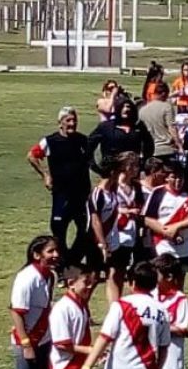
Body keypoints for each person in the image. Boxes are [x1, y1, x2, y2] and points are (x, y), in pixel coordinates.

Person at [10, 235, 59, 369]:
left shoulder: (51, 277)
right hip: (28, 341)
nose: (55, 255)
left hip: (45, 340)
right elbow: (17, 312)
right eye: (50, 251)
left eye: (56, 251)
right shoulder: (26, 278)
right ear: (37, 255)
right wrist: (26, 343)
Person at [27, 106, 91, 268]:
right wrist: (45, 175)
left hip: (81, 193)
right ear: (60, 123)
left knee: (86, 230)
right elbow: (32, 156)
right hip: (61, 194)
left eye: (74, 120)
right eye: (68, 120)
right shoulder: (50, 141)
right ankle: (62, 265)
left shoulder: (83, 140)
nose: (72, 123)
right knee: (59, 230)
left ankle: (72, 260)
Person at [142, 161, 188, 288]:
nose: (177, 181)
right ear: (167, 178)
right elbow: (148, 219)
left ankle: (177, 303)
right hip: (162, 243)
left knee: (180, 277)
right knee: (161, 277)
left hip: (184, 244)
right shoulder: (158, 193)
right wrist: (166, 232)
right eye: (173, 177)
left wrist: (177, 227)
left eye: (180, 177)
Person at [87, 155, 126, 303]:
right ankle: (81, 304)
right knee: (94, 277)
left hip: (113, 241)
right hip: (97, 242)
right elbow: (95, 220)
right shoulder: (98, 194)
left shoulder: (113, 191)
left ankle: (115, 309)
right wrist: (103, 244)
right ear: (112, 172)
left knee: (113, 273)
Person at [88, 98, 154, 176]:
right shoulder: (106, 127)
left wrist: (142, 164)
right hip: (111, 172)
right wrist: (97, 168)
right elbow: (88, 147)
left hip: (132, 173)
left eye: (128, 107)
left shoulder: (139, 128)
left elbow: (149, 146)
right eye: (123, 107)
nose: (126, 109)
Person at [112, 152, 145, 298]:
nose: (137, 169)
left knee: (134, 268)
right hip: (117, 232)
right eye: (134, 165)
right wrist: (125, 211)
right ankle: (115, 302)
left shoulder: (136, 187)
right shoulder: (113, 186)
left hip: (133, 232)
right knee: (117, 270)